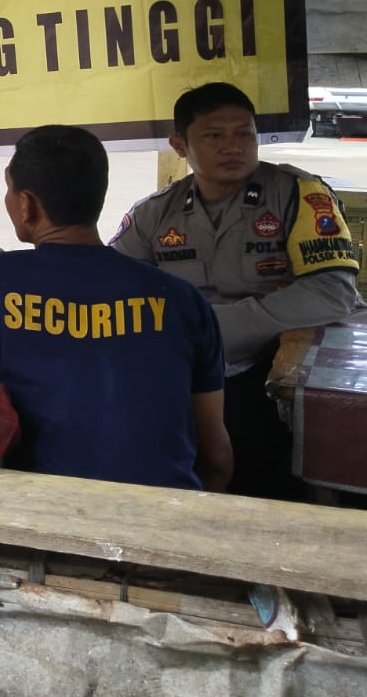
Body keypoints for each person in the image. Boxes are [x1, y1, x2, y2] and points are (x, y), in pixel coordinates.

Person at [112, 82, 362, 497]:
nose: (233, 147)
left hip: (268, 370)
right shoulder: (154, 213)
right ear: (179, 144)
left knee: (259, 467)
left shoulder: (298, 195)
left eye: (244, 133)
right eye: (214, 136)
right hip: (181, 370)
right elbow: (112, 288)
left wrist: (212, 329)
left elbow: (332, 291)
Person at [0, 125, 234, 492]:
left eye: (10, 191)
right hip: (167, 514)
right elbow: (216, 458)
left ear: (27, 204)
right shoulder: (182, 298)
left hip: (38, 514)